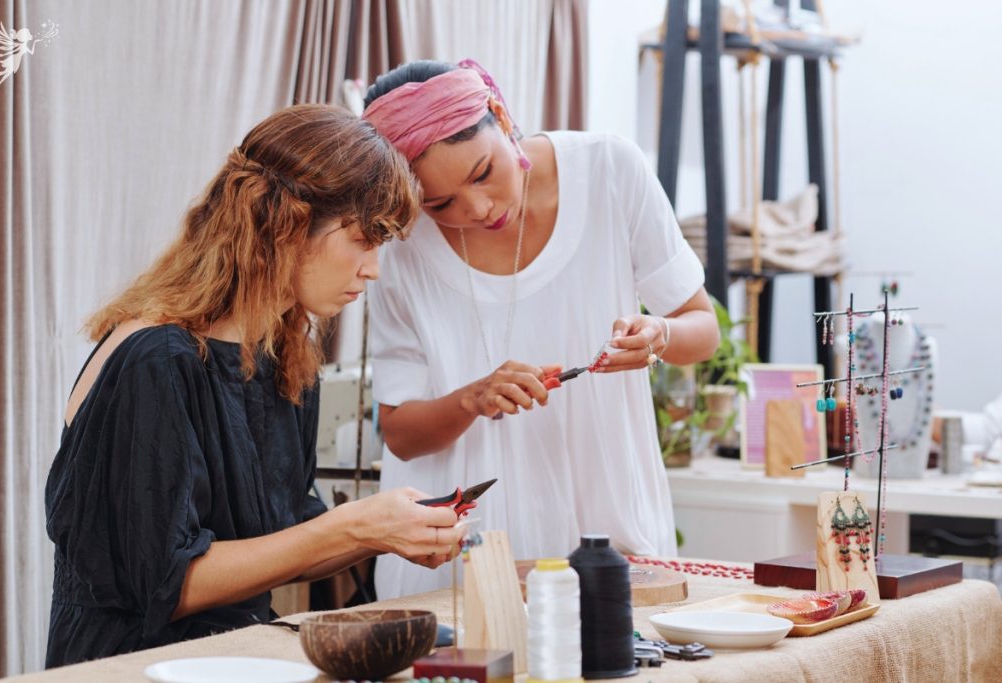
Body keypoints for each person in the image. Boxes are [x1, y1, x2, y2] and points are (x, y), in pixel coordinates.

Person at [43, 105, 464, 667]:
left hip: (238, 657)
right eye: (364, 239)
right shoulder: (156, 360)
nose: (373, 270)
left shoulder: (285, 357)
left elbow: (282, 538)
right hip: (127, 667)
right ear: (287, 223)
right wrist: (351, 526)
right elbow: (167, 584)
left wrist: (385, 529)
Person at [362, 60, 720, 599]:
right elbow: (401, 434)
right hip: (455, 563)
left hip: (607, 534)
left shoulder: (609, 170)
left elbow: (703, 328)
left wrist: (659, 335)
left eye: (482, 172)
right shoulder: (396, 242)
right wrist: (470, 399)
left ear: (502, 117)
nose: (478, 209)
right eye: (439, 204)